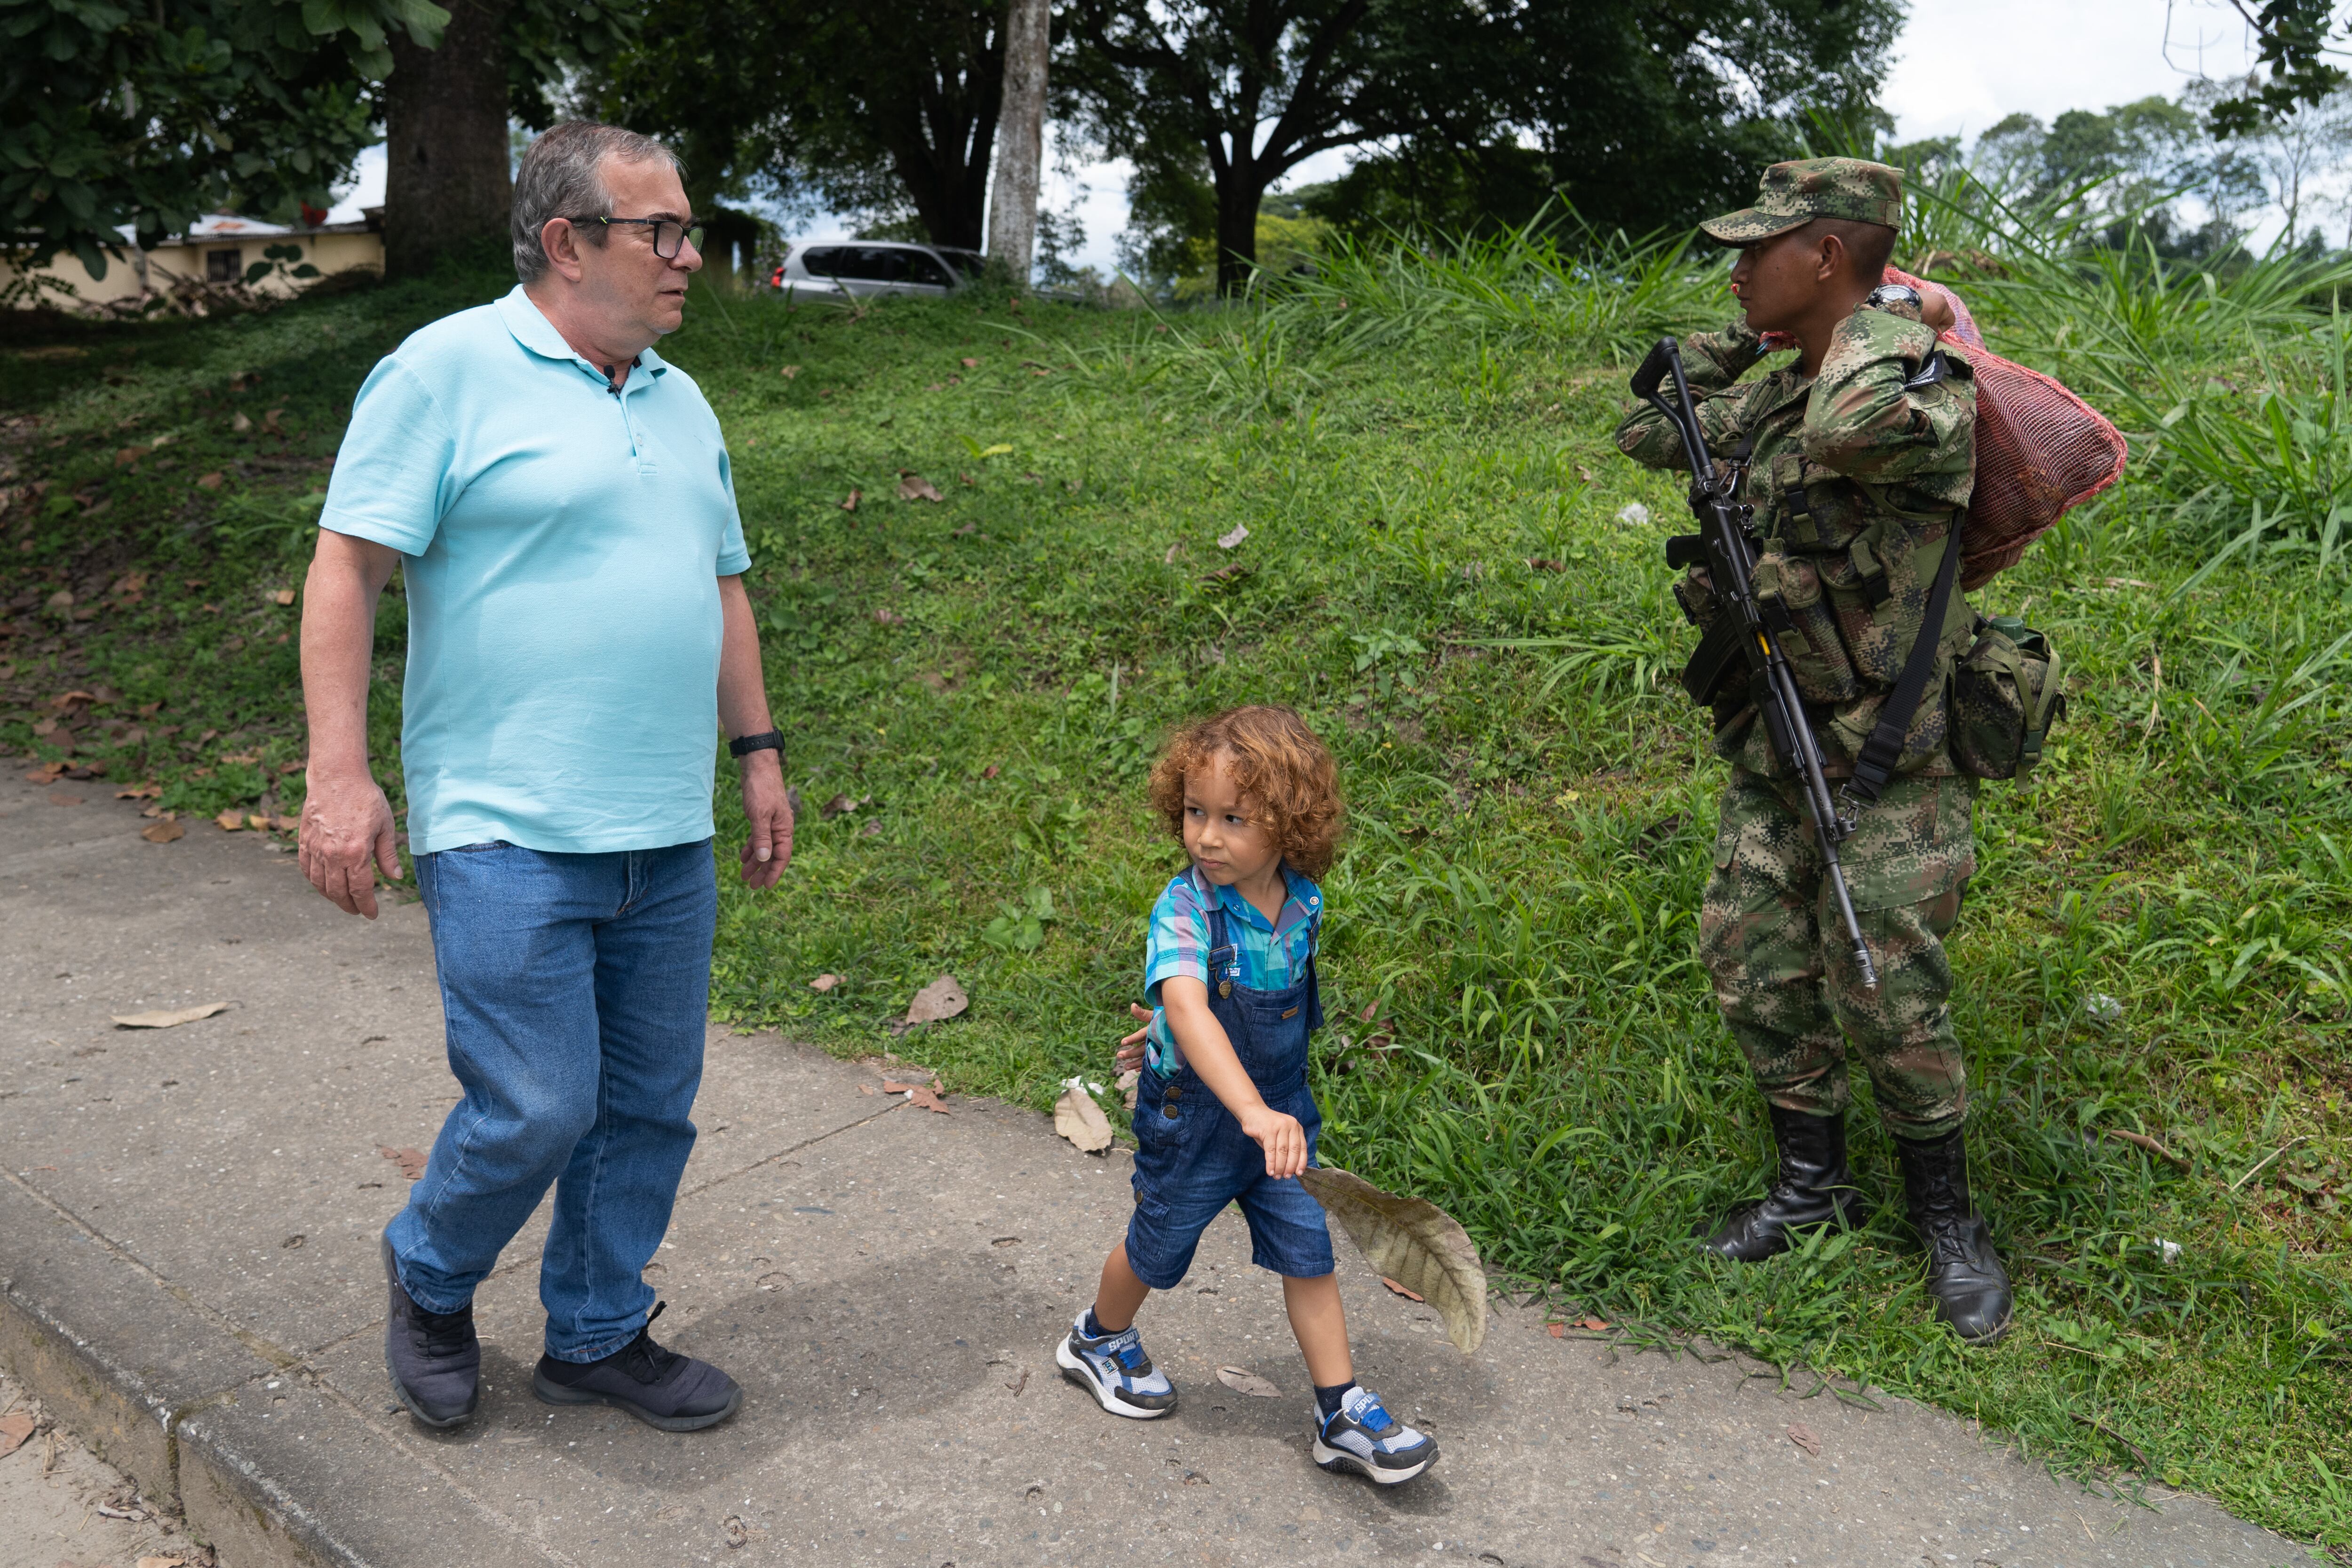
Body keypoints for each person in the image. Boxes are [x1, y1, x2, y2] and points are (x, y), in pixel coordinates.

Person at [298, 120, 794, 1431]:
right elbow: (347, 567)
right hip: (505, 821)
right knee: (537, 1101)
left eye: (689, 228)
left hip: (662, 828)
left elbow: (723, 587)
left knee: (646, 1105)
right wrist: (337, 775)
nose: (692, 256)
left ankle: (595, 1327)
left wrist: (758, 753)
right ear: (569, 242)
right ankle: (430, 1267)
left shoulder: (680, 399)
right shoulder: (445, 371)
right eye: (664, 231)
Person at [1613, 158, 2013, 1345]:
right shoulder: (1786, 387)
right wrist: (1748, 342)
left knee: (1887, 987)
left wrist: (1906, 315)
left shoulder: (1923, 394)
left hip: (1890, 757)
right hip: (1774, 743)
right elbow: (1647, 423)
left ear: (1829, 254)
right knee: (1749, 955)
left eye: (1759, 252)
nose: (1737, 272)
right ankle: (1810, 1184)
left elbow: (1850, 424)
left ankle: (1947, 1219)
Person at [1063, 706, 1438, 1484]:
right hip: (1199, 1118)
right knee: (1158, 1246)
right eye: (1196, 812)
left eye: (1234, 818)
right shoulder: (1187, 907)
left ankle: (1339, 1409)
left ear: (1291, 823)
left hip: (1281, 1116)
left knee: (1311, 1250)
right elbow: (1195, 1007)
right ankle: (1097, 1338)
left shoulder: (1302, 901)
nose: (1207, 836)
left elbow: (1264, 1001)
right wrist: (1192, 1041)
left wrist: (1270, 1108)